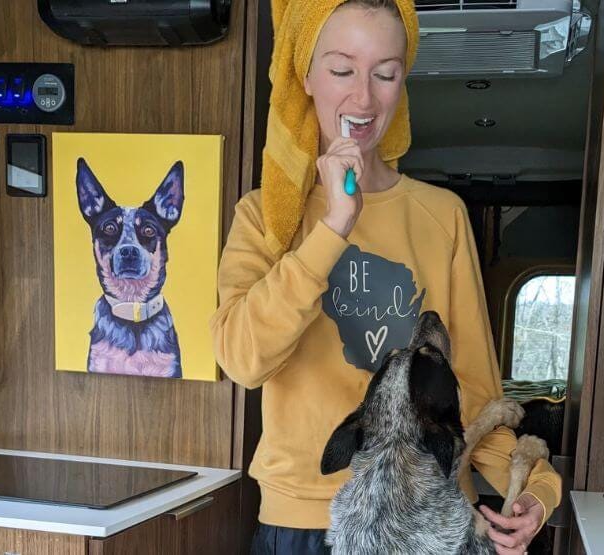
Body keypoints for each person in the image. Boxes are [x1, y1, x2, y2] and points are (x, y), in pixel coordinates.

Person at [210, 1, 562, 553]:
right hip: (303, 526)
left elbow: (470, 387)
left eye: (385, 73)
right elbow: (241, 358)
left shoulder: (441, 214)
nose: (364, 98)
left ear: (403, 81)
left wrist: (538, 489)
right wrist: (333, 227)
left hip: (428, 525)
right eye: (342, 69)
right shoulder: (264, 215)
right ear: (306, 76)